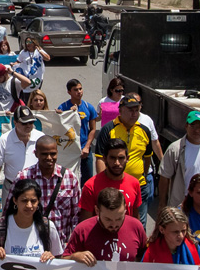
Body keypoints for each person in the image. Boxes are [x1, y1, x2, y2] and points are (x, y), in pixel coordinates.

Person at [93, 94, 154, 226]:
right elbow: (100, 159)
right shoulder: (108, 129)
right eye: (130, 110)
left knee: (138, 224)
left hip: (139, 186)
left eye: (136, 110)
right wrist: (104, 185)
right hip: (114, 186)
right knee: (113, 222)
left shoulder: (144, 130)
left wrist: (142, 175)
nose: (134, 113)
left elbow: (147, 157)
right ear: (120, 111)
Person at [14, 135, 81, 245]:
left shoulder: (69, 178)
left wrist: (73, 244)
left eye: (53, 154)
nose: (49, 158)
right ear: (36, 154)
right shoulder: (23, 177)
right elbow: (10, 211)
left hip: (61, 247)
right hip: (29, 246)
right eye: (44, 154)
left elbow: (76, 216)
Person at [158, 110, 200, 211]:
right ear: (186, 126)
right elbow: (164, 177)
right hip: (183, 204)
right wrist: (162, 204)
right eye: (193, 126)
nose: (196, 130)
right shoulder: (175, 149)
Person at [80, 138, 142, 220]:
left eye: (121, 158)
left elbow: (135, 217)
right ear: (105, 158)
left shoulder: (134, 183)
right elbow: (85, 223)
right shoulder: (91, 186)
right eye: (112, 158)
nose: (117, 163)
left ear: (127, 158)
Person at [0, 107, 44, 205]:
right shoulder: (4, 140)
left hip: (36, 188)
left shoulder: (40, 138)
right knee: (9, 219)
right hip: (12, 188)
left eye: (31, 122)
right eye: (24, 123)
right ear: (15, 123)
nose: (28, 126)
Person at [56, 79, 98, 183]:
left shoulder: (89, 107)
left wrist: (87, 147)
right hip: (70, 148)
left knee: (88, 180)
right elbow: (59, 128)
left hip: (85, 149)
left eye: (80, 89)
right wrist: (66, 114)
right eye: (75, 90)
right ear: (69, 92)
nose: (79, 92)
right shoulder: (63, 107)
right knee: (68, 179)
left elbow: (93, 129)